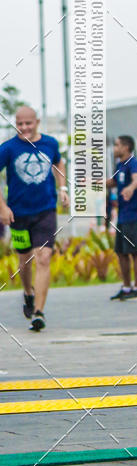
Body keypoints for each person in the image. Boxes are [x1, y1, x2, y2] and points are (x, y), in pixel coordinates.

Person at [0, 106, 68, 331]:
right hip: (18, 213)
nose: (24, 128)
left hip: (46, 210)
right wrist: (3, 207)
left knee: (43, 257)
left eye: (28, 123)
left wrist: (63, 188)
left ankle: (38, 312)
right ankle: (28, 293)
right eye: (20, 124)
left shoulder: (50, 144)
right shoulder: (8, 148)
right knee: (24, 259)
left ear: (37, 122)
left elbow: (59, 163)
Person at [107, 135, 137, 300]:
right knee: (121, 252)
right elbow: (113, 182)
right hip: (123, 216)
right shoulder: (120, 165)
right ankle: (126, 288)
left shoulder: (134, 164)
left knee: (135, 252)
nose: (114, 148)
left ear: (125, 147)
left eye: (117, 145)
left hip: (134, 214)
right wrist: (91, 182)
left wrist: (131, 188)